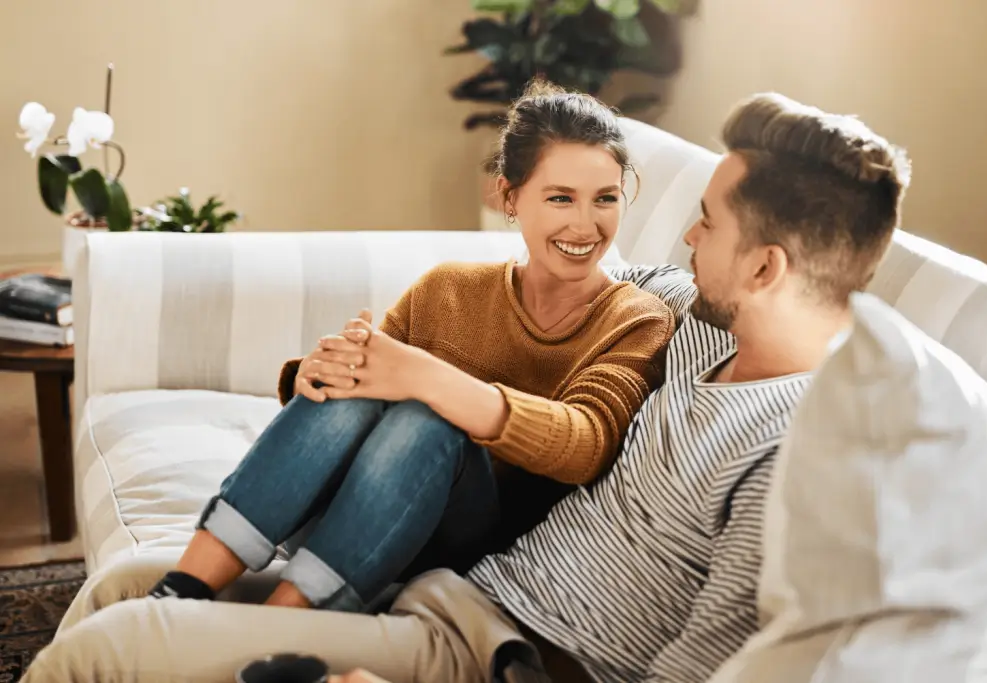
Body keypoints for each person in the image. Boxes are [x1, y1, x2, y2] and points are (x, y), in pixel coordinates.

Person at [22, 91, 911, 683]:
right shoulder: (693, 321)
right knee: (122, 587)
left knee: (118, 647)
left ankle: (254, 624)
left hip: (495, 648)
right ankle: (217, 603)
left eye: (705, 224)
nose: (682, 238)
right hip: (456, 583)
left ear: (764, 267)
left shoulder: (794, 451)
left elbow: (702, 663)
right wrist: (327, 368)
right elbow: (554, 280)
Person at [141, 80, 676, 614]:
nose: (585, 225)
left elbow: (586, 444)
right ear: (510, 196)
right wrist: (319, 373)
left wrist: (428, 379)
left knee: (428, 419)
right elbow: (364, 394)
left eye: (605, 199)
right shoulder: (448, 289)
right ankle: (180, 591)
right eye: (561, 198)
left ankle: (282, 619)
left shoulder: (635, 319)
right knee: (365, 383)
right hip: (339, 520)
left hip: (457, 544)